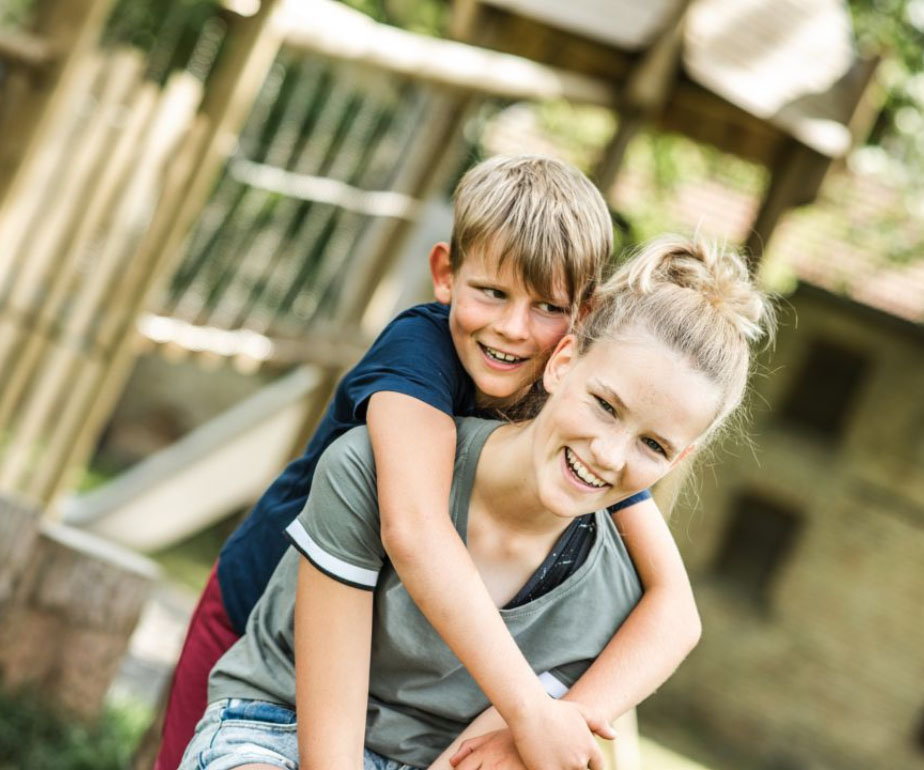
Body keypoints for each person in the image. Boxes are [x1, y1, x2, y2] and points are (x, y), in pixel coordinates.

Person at [156, 157, 700, 770]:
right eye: (492, 292)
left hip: (385, 676)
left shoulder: (581, 423)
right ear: (445, 274)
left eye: (547, 306)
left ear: (584, 316)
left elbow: (674, 610)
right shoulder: (419, 352)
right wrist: (529, 710)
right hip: (259, 617)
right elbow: (414, 530)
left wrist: (568, 718)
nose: (514, 329)